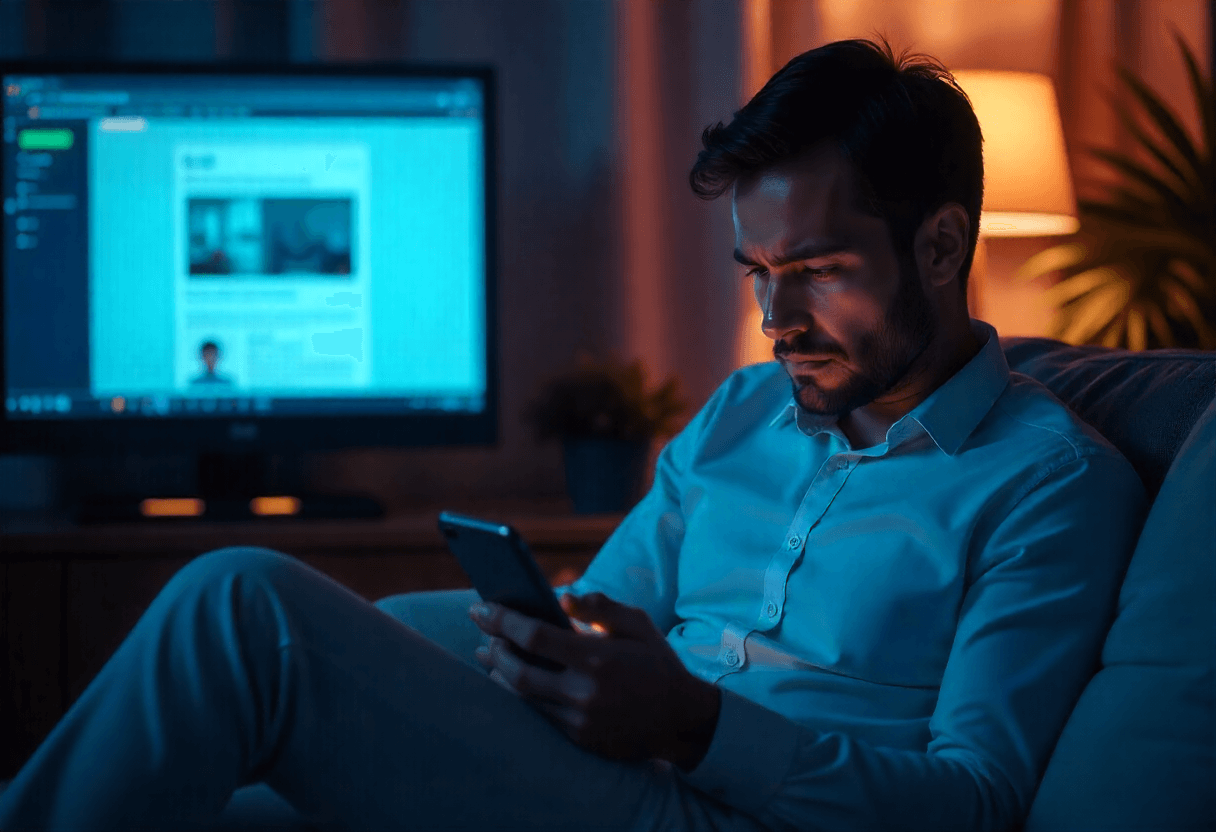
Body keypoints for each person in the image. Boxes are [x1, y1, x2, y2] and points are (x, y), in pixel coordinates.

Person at [0, 38, 1146, 832]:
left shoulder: (1049, 484)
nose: (775, 320)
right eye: (756, 272)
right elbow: (607, 602)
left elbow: (974, 801)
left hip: (721, 802)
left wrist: (696, 724)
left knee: (242, 604)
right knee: (234, 764)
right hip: (620, 764)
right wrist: (546, 640)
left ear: (941, 248)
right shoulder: (742, 412)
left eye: (817, 273)